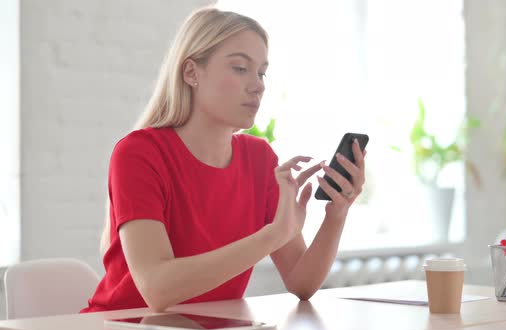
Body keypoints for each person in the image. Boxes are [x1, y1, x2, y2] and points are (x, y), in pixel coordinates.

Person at [81, 7, 366, 313]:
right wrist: (272, 236)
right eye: (241, 68)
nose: (258, 85)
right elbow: (157, 289)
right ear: (191, 73)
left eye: (261, 72)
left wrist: (335, 216)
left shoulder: (259, 159)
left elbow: (302, 282)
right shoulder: (139, 154)